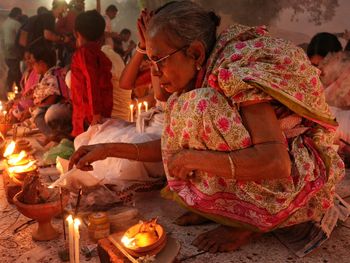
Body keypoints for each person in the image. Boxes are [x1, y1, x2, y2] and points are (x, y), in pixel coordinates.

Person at [70, 1, 344, 253]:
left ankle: (248, 220)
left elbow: (276, 162)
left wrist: (193, 158)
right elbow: (170, 146)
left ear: (196, 52)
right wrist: (106, 149)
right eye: (150, 61)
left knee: (200, 106)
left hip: (296, 175)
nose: (154, 72)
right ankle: (222, 207)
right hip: (264, 162)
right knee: (186, 108)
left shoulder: (232, 73)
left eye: (159, 61)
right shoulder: (202, 71)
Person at [70, 10, 113, 137]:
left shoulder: (84, 53)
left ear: (76, 33)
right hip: (100, 109)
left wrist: (95, 113)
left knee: (85, 144)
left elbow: (91, 80)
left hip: (88, 112)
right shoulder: (100, 53)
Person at [29, 45, 72, 141]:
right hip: (56, 108)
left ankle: (53, 136)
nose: (32, 66)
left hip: (64, 108)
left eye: (33, 63)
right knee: (37, 111)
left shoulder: (53, 75)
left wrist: (37, 106)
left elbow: (52, 98)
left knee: (38, 113)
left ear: (42, 64)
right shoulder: (47, 76)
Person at [0, 7, 23, 94]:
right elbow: (21, 40)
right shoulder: (16, 24)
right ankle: (19, 91)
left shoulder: (4, 23)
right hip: (13, 52)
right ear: (18, 14)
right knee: (15, 72)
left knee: (10, 71)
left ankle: (8, 89)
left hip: (5, 53)